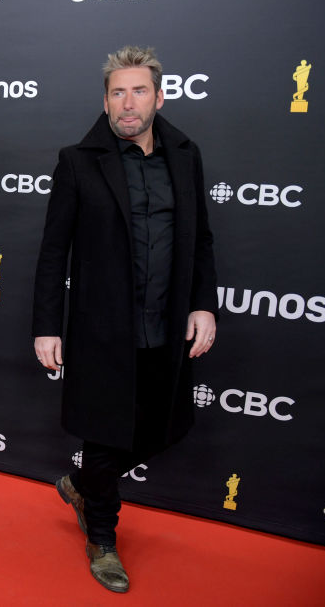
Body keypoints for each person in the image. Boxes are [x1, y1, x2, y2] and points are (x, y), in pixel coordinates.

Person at [32, 46, 218, 592]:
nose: (128, 103)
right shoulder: (76, 160)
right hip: (101, 329)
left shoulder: (185, 156)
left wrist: (204, 304)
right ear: (105, 100)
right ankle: (103, 541)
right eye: (118, 92)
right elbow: (52, 250)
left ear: (159, 97)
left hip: (167, 323)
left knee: (167, 426)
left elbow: (201, 238)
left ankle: (84, 484)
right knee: (106, 435)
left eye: (139, 91)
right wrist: (47, 324)